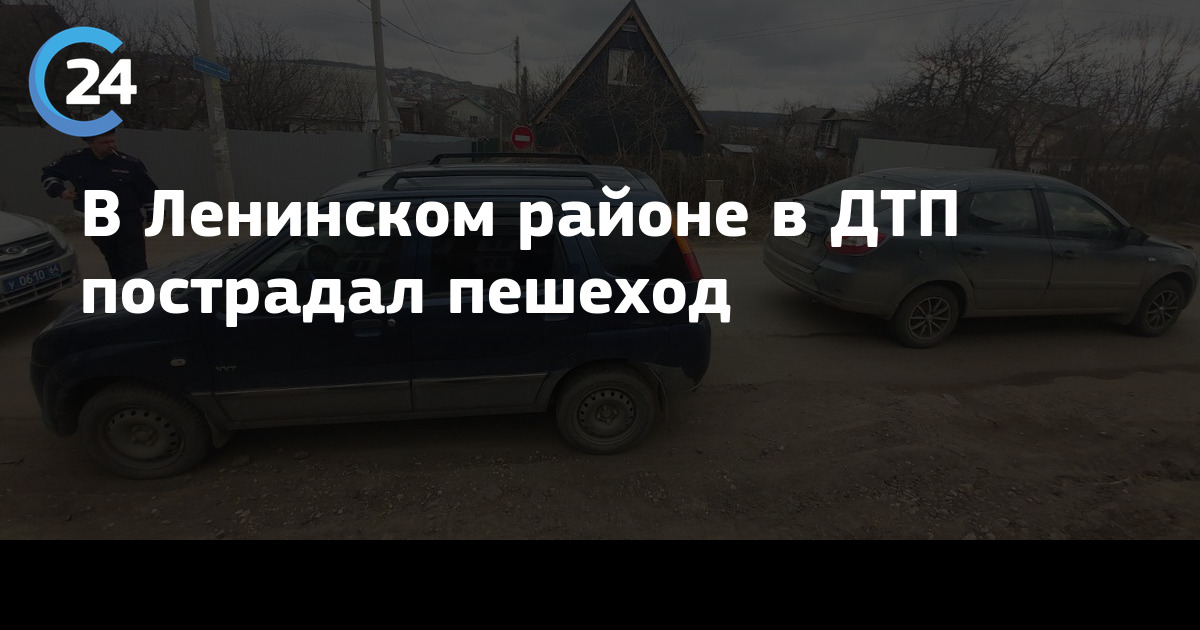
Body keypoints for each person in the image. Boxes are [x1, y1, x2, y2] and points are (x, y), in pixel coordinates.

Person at [41, 129, 157, 280]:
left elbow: (148, 191)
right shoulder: (75, 160)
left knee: (134, 262)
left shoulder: (129, 163)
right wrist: (60, 191)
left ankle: (138, 292)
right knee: (113, 260)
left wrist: (153, 215)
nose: (111, 145)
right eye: (105, 142)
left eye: (112, 141)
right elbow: (49, 174)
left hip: (126, 219)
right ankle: (120, 290)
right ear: (91, 143)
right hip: (96, 219)